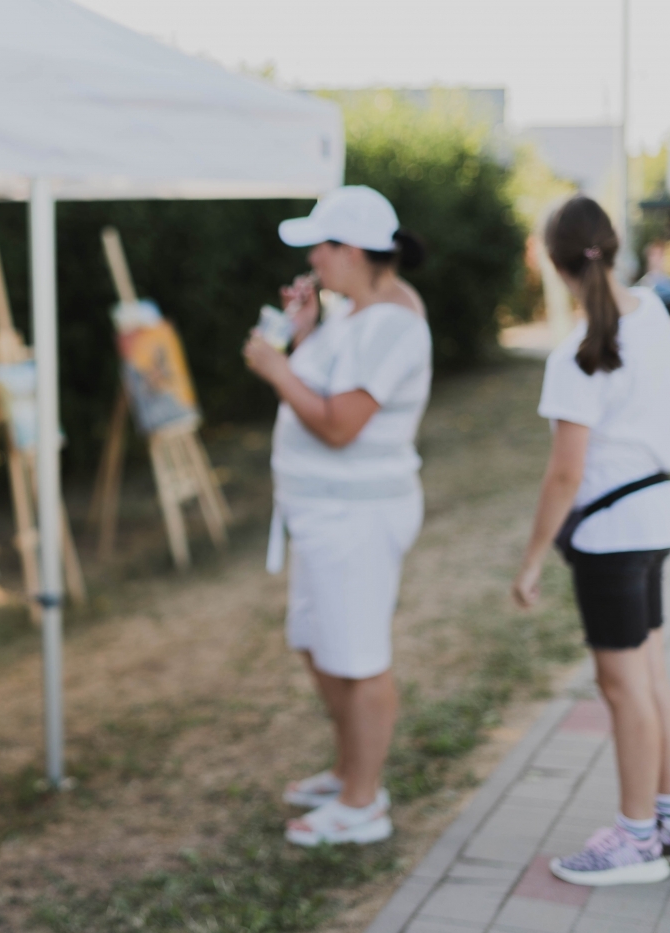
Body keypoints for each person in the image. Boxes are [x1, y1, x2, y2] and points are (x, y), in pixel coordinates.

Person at [512, 196, 670, 886]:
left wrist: (532, 558)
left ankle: (635, 839)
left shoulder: (576, 352)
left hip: (610, 533)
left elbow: (565, 472)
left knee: (623, 686)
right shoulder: (652, 316)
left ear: (551, 259)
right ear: (613, 245)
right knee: (648, 677)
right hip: (654, 518)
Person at [243, 185, 432, 847]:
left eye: (317, 248)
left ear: (348, 250)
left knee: (357, 656)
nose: (310, 261)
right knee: (320, 645)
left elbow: (338, 424)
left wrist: (273, 367)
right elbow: (325, 386)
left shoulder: (392, 323)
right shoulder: (358, 312)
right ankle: (352, 768)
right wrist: (302, 335)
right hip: (323, 515)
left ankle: (361, 801)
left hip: (357, 518)